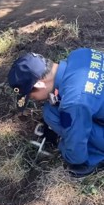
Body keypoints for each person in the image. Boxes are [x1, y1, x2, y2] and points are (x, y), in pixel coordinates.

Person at [8, 49, 104, 178]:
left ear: (40, 84)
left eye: (30, 95)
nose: (33, 99)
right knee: (52, 110)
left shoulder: (73, 102)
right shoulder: (80, 53)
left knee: (61, 119)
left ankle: (94, 158)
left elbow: (76, 152)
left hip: (79, 103)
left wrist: (64, 148)